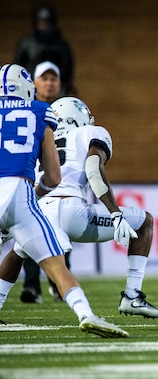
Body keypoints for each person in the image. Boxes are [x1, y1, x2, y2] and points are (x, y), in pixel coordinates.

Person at [0, 97, 158, 319]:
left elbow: (40, 181)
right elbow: (93, 169)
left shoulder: (41, 137)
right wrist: (115, 213)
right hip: (73, 210)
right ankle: (131, 296)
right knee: (144, 221)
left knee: (18, 250)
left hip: (39, 211)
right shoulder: (89, 132)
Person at [0, 63, 127, 337]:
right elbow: (53, 178)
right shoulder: (40, 112)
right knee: (55, 264)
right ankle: (86, 313)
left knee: (17, 252)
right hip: (22, 192)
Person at [18, 61, 65, 303]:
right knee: (29, 234)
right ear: (34, 84)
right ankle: (33, 284)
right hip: (31, 179)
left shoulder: (66, 108)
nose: (49, 83)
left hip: (55, 182)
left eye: (53, 79)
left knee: (59, 230)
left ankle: (58, 285)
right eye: (43, 79)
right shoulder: (35, 110)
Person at [14, 4, 76, 96]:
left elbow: (68, 68)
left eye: (47, 23)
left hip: (56, 91)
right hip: (30, 89)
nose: (44, 26)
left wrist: (63, 85)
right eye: (41, 22)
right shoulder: (27, 43)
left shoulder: (61, 45)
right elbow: (17, 66)